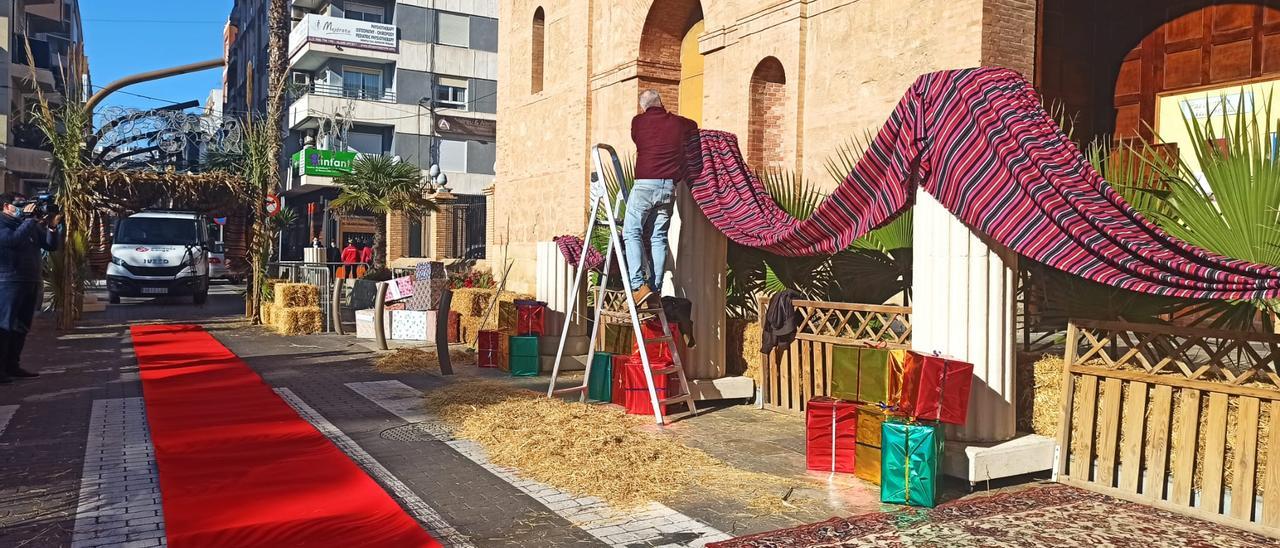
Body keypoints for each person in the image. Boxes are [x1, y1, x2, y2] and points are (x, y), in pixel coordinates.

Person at [625, 89, 698, 306]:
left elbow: (637, 139)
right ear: (661, 102)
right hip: (668, 188)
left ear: (643, 107)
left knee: (632, 231)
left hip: (645, 185)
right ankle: (654, 287)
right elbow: (693, 126)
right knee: (658, 237)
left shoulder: (638, 122)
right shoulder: (677, 123)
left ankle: (638, 286)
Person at [0, 193, 61, 384]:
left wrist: (51, 227)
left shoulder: (29, 225)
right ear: (6, 207)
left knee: (21, 327)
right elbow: (12, 241)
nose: (25, 208)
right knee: (5, 326)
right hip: (8, 282)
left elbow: (50, 246)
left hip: (30, 281)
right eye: (19, 204)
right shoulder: (3, 224)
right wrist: (29, 220)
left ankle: (12, 365)